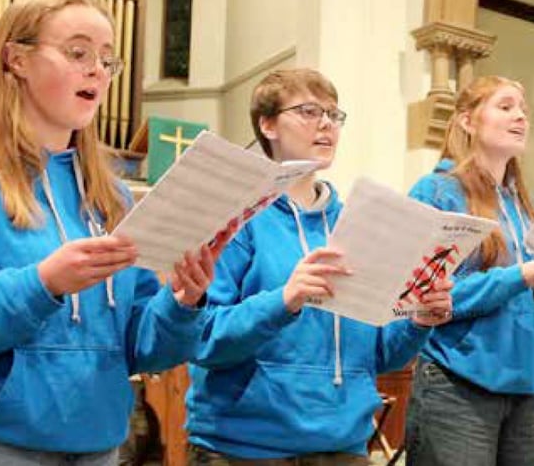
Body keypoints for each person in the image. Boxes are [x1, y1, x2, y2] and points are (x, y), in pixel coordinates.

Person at [0, 0, 228, 465]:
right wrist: (43, 284)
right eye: (78, 53)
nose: (98, 70)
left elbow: (138, 346)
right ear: (16, 60)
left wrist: (183, 302)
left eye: (107, 60)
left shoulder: (109, 194)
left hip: (97, 445)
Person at [184, 68, 454, 465]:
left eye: (333, 114)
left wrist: (419, 321)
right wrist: (284, 301)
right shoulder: (234, 217)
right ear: (268, 124)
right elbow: (202, 338)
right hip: (245, 446)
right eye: (309, 111)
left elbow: (381, 356)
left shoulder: (359, 224)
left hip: (342, 446)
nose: (326, 124)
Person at [405, 75, 534, 466]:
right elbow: (426, 295)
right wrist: (522, 276)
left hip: (532, 388)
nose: (521, 117)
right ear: (466, 121)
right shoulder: (437, 192)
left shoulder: (528, 208)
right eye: (506, 106)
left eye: (524, 110)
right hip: (459, 385)